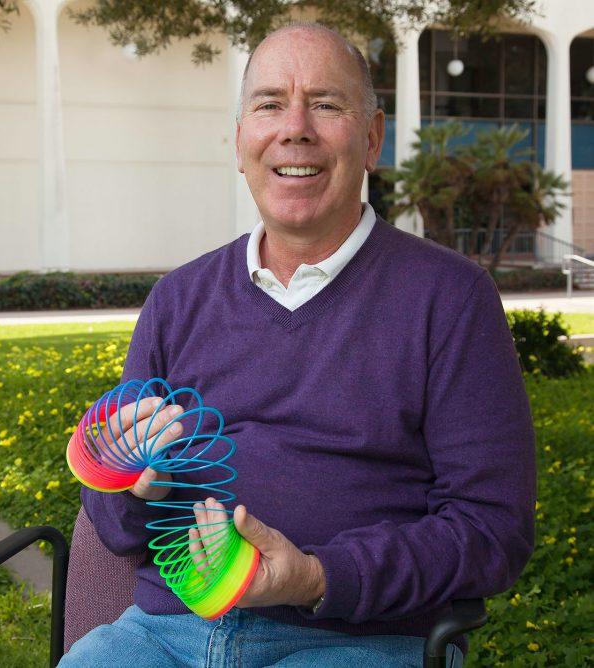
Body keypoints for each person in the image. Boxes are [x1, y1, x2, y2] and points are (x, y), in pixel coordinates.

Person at [60, 21, 535, 668]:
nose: (295, 128)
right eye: (268, 104)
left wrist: (317, 577)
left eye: (326, 104)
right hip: (164, 634)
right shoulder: (178, 301)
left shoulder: (450, 300)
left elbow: (491, 531)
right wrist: (124, 487)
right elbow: (117, 530)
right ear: (239, 143)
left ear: (372, 140)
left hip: (358, 640)